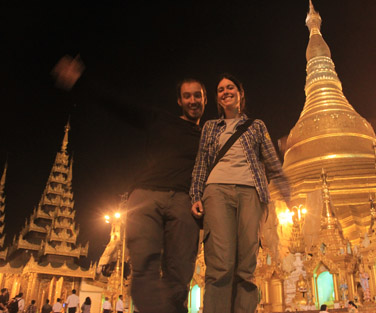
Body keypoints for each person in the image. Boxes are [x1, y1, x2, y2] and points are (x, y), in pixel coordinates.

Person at [51, 56, 207, 313]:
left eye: (197, 96)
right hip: (145, 197)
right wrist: (80, 81)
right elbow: (120, 105)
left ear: (204, 99)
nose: (193, 100)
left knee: (179, 273)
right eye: (187, 96)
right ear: (179, 100)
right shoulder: (161, 119)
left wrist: (276, 147)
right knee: (143, 266)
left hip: (183, 200)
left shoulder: (208, 136)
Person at [190, 73, 291, 313]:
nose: (225, 92)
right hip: (216, 192)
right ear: (218, 98)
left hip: (251, 193)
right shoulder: (211, 127)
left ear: (240, 93)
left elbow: (271, 161)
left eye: (230, 87)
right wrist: (195, 194)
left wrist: (287, 191)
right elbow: (201, 162)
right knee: (220, 264)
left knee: (246, 266)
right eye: (221, 89)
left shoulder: (257, 126)